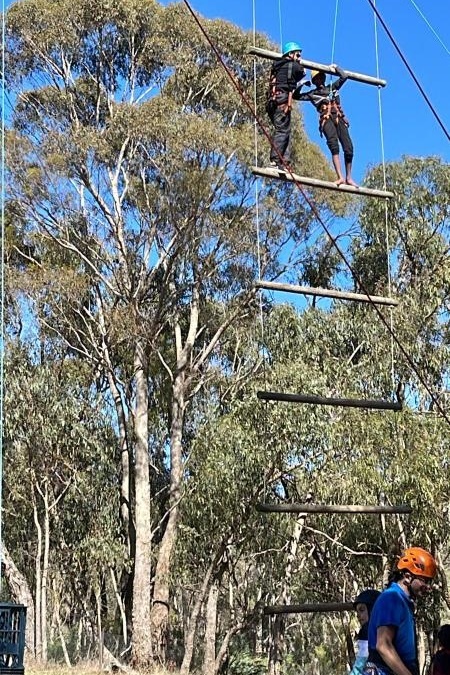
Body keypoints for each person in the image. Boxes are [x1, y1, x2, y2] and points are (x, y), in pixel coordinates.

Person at [363, 546, 438, 675]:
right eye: (425, 581)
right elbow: (383, 645)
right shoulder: (392, 598)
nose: (428, 587)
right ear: (408, 576)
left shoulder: (403, 602)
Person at [296, 65, 357, 186]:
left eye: (321, 77)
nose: (319, 80)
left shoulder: (332, 87)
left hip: (338, 118)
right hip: (326, 119)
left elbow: (344, 76)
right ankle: (340, 177)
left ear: (323, 77)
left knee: (348, 148)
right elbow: (296, 96)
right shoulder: (312, 94)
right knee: (334, 146)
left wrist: (336, 67)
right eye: (316, 79)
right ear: (314, 81)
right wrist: (302, 84)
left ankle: (349, 177)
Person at [266, 41, 309, 171]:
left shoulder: (277, 65)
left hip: (273, 101)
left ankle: (284, 162)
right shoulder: (293, 66)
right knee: (283, 131)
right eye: (297, 55)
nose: (299, 58)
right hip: (282, 100)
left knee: (285, 131)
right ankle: (275, 161)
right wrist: (301, 66)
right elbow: (302, 72)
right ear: (290, 54)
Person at [350, 589, 381, 675]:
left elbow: (360, 664)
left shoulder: (366, 631)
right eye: (357, 612)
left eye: (362, 610)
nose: (358, 615)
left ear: (372, 609)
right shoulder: (390, 629)